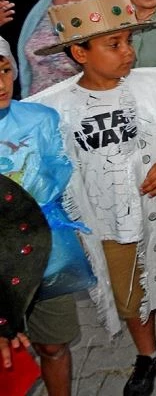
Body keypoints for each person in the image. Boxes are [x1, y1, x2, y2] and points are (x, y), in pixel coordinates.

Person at [27, 0, 156, 396]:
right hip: (109, 224)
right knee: (129, 293)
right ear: (79, 52)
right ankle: (148, 353)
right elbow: (17, 131)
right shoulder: (56, 106)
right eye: (114, 45)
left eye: (129, 41)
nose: (128, 52)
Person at [0, 36, 92, 396]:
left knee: (53, 344)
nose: (1, 83)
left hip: (43, 255)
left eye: (5, 70)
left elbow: (58, 174)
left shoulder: (40, 120)